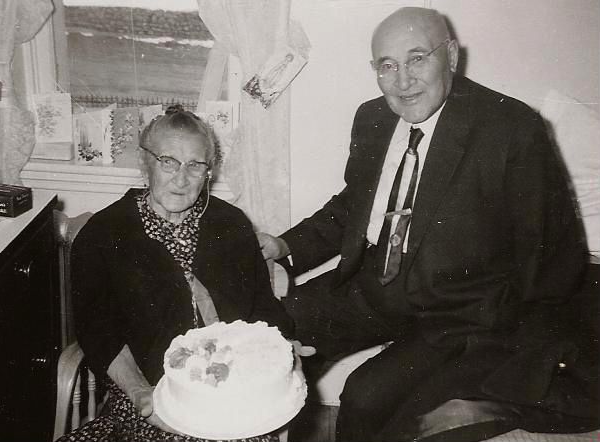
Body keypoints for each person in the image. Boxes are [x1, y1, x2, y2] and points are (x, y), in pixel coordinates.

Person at [258, 7, 599, 442]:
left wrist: (499, 349)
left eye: (417, 58)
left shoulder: (512, 129)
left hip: (460, 314)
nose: (403, 81)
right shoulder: (373, 117)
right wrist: (284, 247)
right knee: (269, 330)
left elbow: (548, 255)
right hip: (376, 286)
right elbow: (353, 207)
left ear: (451, 57)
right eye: (388, 65)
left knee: (364, 396)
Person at [60, 105, 295, 442]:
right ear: (145, 164)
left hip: (232, 393)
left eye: (195, 165)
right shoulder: (104, 235)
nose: (181, 179)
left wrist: (284, 351)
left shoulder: (230, 224)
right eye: (168, 162)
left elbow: (262, 308)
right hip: (150, 393)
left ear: (208, 172)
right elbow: (100, 333)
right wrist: (142, 394)